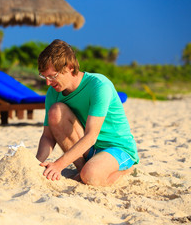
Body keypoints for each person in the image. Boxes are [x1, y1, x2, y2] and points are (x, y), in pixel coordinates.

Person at [36, 39, 139, 186]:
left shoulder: (99, 85)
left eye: (52, 76)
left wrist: (59, 164)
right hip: (89, 150)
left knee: (91, 177)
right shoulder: (53, 93)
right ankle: (83, 169)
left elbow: (91, 136)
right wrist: (36, 163)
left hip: (117, 148)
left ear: (70, 67)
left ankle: (126, 170)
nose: (48, 82)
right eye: (44, 76)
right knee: (56, 111)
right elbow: (47, 136)